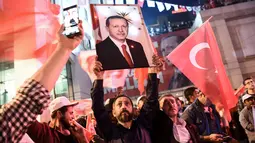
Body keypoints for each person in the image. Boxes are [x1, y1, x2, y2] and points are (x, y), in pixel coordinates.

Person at [0, 21, 84, 142]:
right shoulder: (45, 133)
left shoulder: (75, 136)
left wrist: (83, 140)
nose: (74, 116)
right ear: (59, 114)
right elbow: (25, 106)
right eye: (70, 113)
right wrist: (64, 48)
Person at [89, 55, 162, 142]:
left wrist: (152, 72)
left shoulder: (143, 124)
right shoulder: (110, 131)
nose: (124, 106)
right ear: (114, 112)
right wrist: (99, 78)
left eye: (127, 103)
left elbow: (151, 100)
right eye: (119, 104)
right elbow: (98, 108)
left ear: (133, 109)